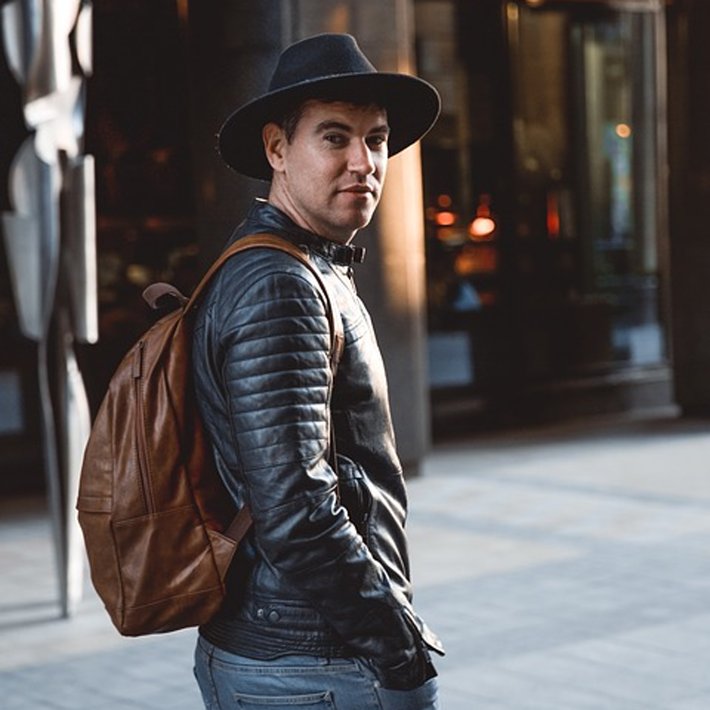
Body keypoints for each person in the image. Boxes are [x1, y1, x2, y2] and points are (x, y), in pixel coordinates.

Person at [191, 33, 444, 710]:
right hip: (313, 665)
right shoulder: (281, 284)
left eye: (377, 139)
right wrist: (399, 648)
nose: (364, 162)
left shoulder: (302, 266)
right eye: (335, 138)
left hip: (299, 655)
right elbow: (296, 507)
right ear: (277, 149)